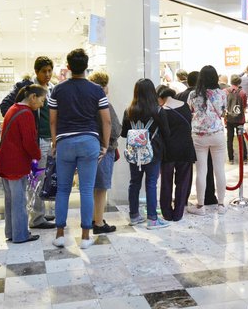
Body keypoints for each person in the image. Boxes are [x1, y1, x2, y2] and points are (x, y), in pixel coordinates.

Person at [50, 49, 111, 249]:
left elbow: (52, 120)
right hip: (89, 141)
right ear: (86, 67)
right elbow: (107, 120)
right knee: (86, 190)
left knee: (63, 190)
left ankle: (60, 234)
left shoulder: (58, 89)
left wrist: (54, 142)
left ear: (68, 67)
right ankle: (85, 236)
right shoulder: (96, 90)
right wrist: (105, 144)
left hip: (65, 142)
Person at [0, 56, 56, 229]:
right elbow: (5, 107)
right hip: (36, 140)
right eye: (43, 71)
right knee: (36, 180)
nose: (47, 74)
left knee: (45, 179)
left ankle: (40, 213)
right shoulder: (25, 88)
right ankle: (36, 217)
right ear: (36, 72)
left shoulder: (53, 89)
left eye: (49, 71)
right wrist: (26, 120)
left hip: (50, 139)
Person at [0, 85, 45, 244]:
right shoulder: (26, 114)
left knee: (10, 200)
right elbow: (29, 142)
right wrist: (38, 156)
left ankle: (11, 232)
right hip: (16, 164)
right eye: (41, 100)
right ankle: (21, 235)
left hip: (5, 162)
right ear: (33, 97)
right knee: (19, 201)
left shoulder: (13, 109)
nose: (42, 104)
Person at [122, 79, 170, 229]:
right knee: (151, 184)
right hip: (153, 152)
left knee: (134, 183)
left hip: (134, 152)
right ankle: (152, 219)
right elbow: (166, 133)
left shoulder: (129, 111)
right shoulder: (158, 110)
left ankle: (134, 216)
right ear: (152, 92)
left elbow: (124, 134)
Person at [187, 65, 228, 216]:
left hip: (199, 135)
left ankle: (201, 206)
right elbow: (223, 112)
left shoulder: (193, 94)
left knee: (201, 171)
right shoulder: (222, 93)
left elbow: (190, 111)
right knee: (219, 170)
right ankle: (222, 205)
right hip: (217, 133)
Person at [88, 71, 122, 234]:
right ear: (103, 86)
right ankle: (99, 223)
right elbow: (115, 129)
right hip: (104, 149)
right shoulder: (104, 105)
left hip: (89, 148)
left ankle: (94, 217)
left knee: (92, 187)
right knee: (101, 187)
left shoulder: (86, 103)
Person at [157, 85, 196, 222]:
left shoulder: (162, 111)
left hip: (168, 151)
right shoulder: (185, 106)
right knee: (183, 181)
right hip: (186, 148)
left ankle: (167, 213)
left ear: (161, 98)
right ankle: (178, 212)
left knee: (166, 182)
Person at [225, 74, 248, 165]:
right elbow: (244, 107)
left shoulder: (225, 91)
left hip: (229, 119)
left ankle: (231, 159)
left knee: (229, 138)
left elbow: (224, 106)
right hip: (240, 119)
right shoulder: (243, 93)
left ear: (231, 82)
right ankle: (244, 158)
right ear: (239, 82)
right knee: (241, 138)